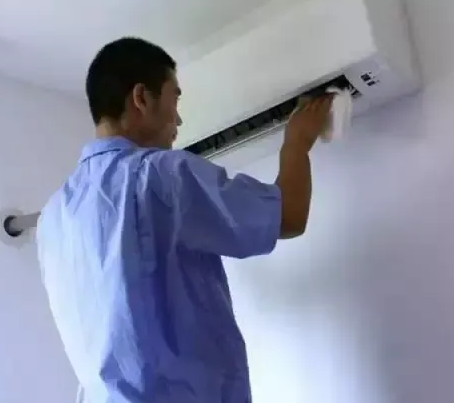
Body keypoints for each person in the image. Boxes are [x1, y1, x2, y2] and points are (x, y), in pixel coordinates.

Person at [37, 37, 333, 403]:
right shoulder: (159, 175)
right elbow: (288, 216)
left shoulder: (53, 216)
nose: (178, 119)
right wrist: (297, 141)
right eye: (174, 99)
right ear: (142, 98)